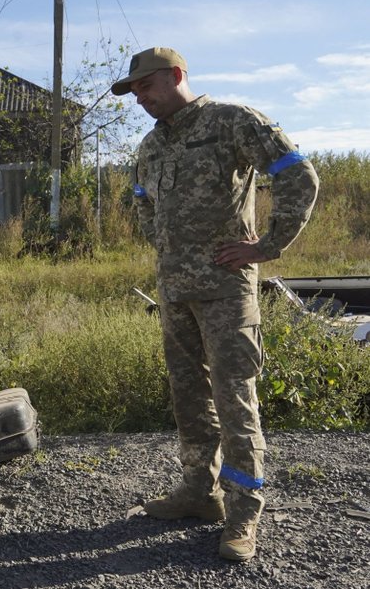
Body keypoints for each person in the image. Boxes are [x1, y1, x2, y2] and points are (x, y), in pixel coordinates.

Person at [111, 47, 319, 561]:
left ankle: (243, 513)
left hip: (227, 292)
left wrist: (266, 246)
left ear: (177, 75)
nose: (140, 97)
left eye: (146, 86)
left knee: (234, 403)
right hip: (175, 292)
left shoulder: (230, 122)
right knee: (190, 401)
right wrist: (164, 246)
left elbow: (299, 175)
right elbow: (141, 197)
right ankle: (198, 493)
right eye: (134, 90)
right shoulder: (152, 144)